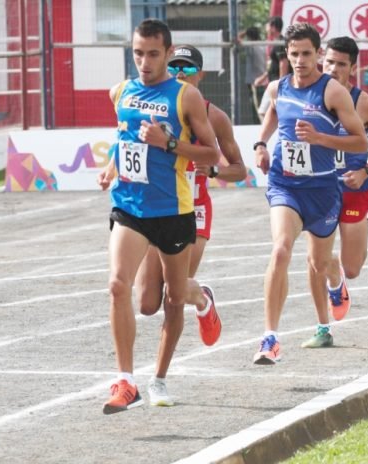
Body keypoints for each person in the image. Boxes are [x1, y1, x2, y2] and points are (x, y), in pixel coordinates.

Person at [96, 19, 220, 414]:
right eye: (137, 53)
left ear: (168, 53)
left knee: (172, 298)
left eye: (152, 54)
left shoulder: (185, 98)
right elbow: (124, 138)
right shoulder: (121, 92)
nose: (144, 62)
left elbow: (212, 155)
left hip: (174, 211)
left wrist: (168, 142)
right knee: (118, 286)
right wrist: (112, 168)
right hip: (130, 206)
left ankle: (160, 377)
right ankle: (125, 381)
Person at [132, 44, 247, 406]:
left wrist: (212, 170)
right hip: (157, 208)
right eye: (175, 66)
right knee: (148, 302)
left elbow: (240, 169)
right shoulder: (156, 106)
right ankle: (203, 296)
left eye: (188, 68)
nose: (180, 73)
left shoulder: (215, 117)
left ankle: (159, 380)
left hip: (194, 211)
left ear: (201, 75)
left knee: (172, 297)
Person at [251, 23, 368, 364]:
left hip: (322, 189)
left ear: (318, 54)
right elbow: (273, 114)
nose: (300, 60)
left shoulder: (332, 92)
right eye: (293, 54)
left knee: (318, 263)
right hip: (285, 184)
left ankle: (336, 279)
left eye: (306, 54)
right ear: (286, 55)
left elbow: (360, 140)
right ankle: (270, 337)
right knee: (281, 249)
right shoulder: (279, 87)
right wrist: (261, 144)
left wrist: (321, 139)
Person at [299, 36, 368, 348]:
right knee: (316, 260)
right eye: (329, 62)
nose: (333, 69)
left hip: (353, 190)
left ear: (352, 68)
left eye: (341, 64)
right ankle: (322, 326)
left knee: (352, 269)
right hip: (317, 188)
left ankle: (367, 217)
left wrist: (365, 170)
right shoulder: (307, 97)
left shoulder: (365, 103)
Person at [255, 17, 293, 121]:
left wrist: (282, 83)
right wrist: (263, 77)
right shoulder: (275, 42)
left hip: (277, 82)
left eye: (267, 26)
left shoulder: (280, 42)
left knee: (263, 111)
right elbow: (273, 65)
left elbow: (283, 63)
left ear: (273, 27)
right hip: (274, 82)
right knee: (268, 110)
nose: (266, 28)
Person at [239, 27, 267, 123]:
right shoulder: (263, 45)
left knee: (256, 107)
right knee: (263, 106)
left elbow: (237, 39)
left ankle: (258, 125)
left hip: (253, 81)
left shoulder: (250, 46)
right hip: (264, 79)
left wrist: (244, 32)